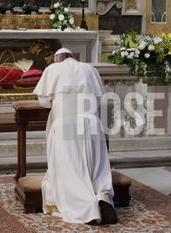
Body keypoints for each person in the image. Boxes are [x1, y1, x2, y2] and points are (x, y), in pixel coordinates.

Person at [33, 47, 118, 224]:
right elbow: (100, 96)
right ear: (73, 57)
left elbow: (44, 102)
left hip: (66, 124)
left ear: (57, 59)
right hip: (91, 123)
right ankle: (103, 196)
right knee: (96, 165)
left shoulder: (53, 69)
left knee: (70, 167)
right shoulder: (90, 69)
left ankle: (87, 206)